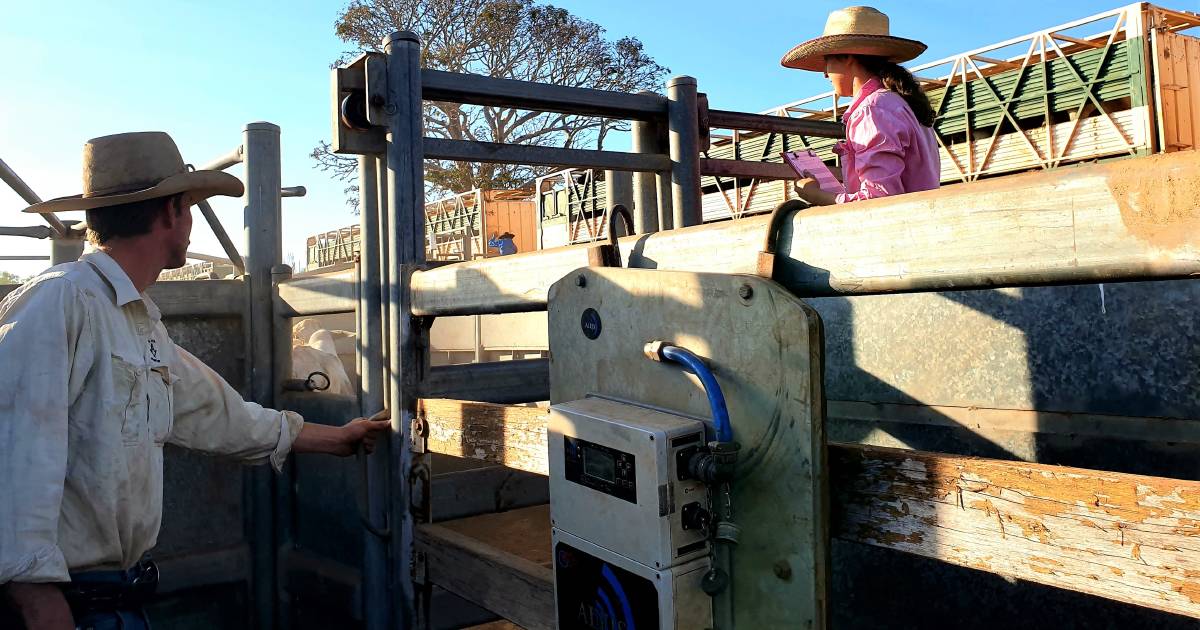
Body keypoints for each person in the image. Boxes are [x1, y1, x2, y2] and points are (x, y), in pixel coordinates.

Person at [0, 132, 391, 630]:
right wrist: (36, 602)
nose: (190, 226)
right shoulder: (62, 302)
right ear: (172, 213)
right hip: (59, 607)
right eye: (188, 210)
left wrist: (335, 437)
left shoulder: (139, 325)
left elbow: (221, 415)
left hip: (115, 599)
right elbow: (13, 451)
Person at [781, 6, 940, 205]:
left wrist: (816, 196)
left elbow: (878, 199)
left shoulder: (872, 109)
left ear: (847, 57)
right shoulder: (900, 103)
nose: (825, 74)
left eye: (827, 62)